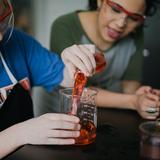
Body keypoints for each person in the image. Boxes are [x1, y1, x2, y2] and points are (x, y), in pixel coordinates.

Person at [0, 0, 97, 158]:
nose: (0, 36)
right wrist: (20, 133)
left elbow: (65, 77)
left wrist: (75, 60)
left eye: (1, 19)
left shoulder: (18, 43)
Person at [33, 0, 160, 119]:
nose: (121, 24)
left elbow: (130, 90)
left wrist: (142, 97)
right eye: (116, 9)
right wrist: (133, 101)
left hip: (102, 117)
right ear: (100, 1)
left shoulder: (135, 35)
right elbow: (77, 91)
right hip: (58, 115)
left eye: (134, 18)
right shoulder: (64, 25)